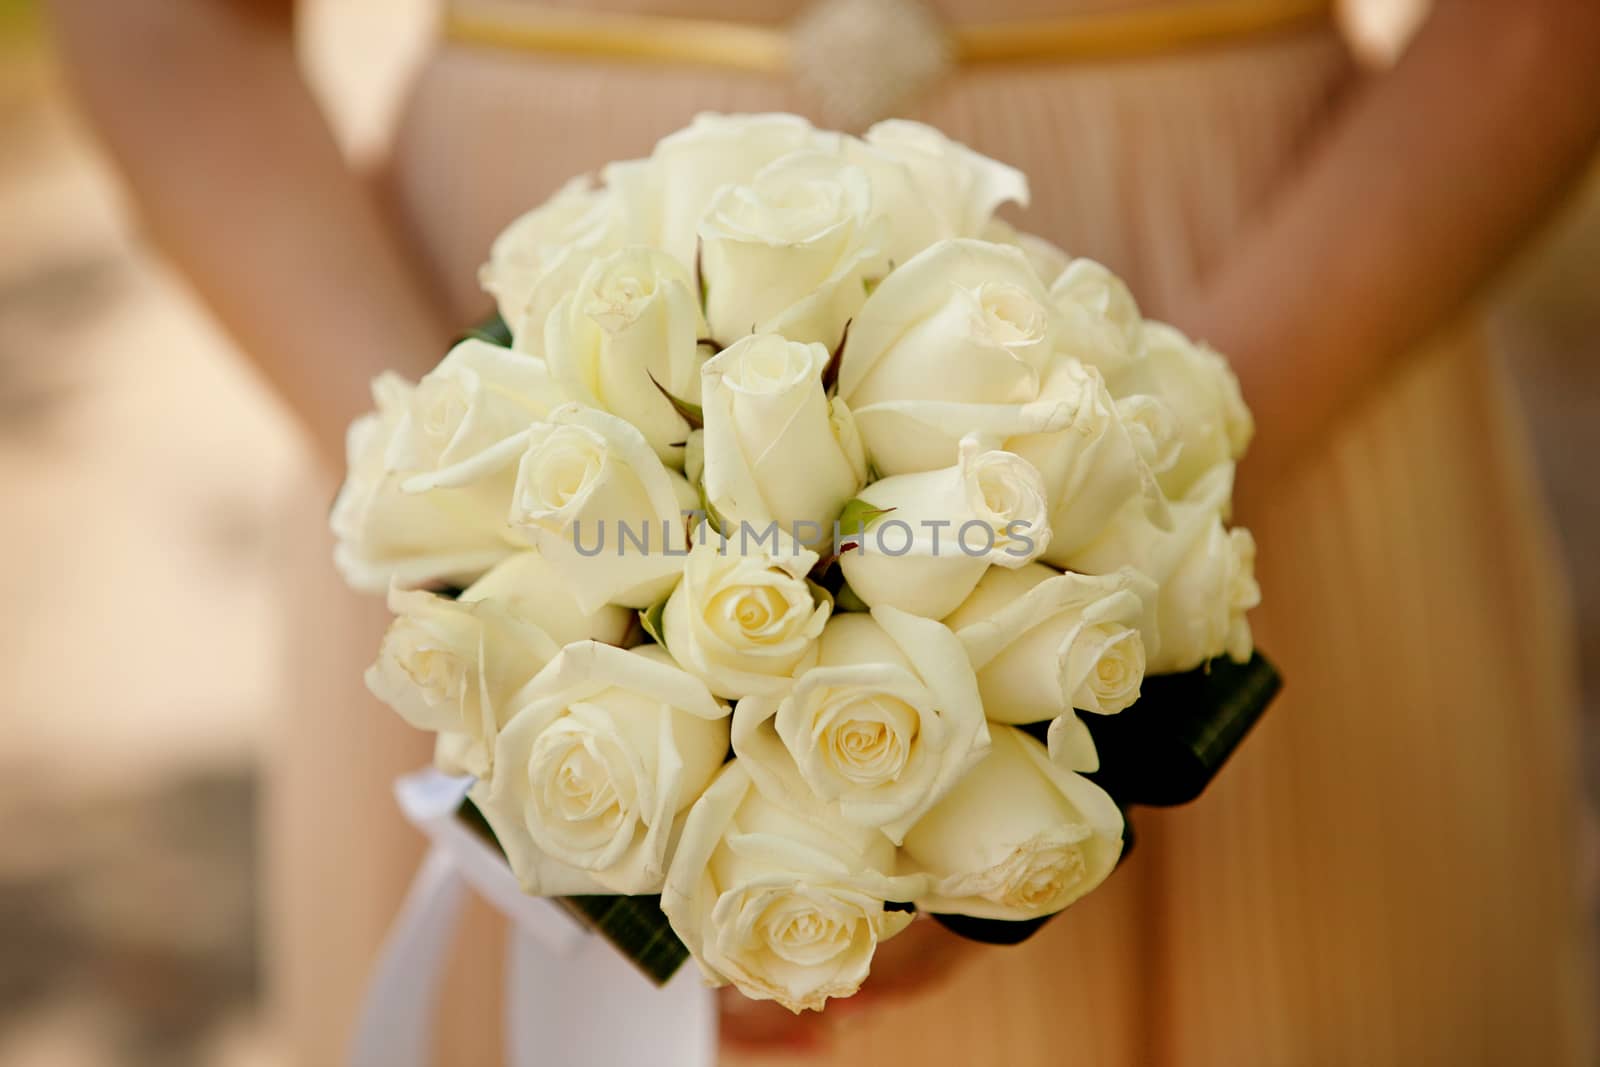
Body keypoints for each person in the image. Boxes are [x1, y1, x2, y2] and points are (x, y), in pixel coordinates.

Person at [47, 0, 1600, 1063]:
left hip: (1304, 310)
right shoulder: (498, 506)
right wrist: (489, 528)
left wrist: (1141, 490)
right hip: (512, 363)